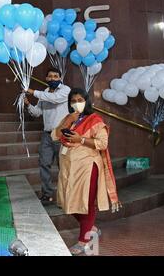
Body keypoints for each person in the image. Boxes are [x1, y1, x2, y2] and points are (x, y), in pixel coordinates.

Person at [52, 88, 121, 255]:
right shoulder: (70, 119)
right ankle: (91, 227)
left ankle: (84, 241)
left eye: (80, 100)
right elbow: (54, 136)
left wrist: (80, 139)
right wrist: (68, 120)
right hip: (69, 169)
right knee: (70, 201)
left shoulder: (95, 119)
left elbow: (102, 144)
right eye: (73, 100)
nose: (77, 103)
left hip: (87, 169)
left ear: (87, 101)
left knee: (87, 204)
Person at [24, 68, 71, 205]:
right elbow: (38, 112)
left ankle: (67, 196)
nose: (52, 79)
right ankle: (47, 194)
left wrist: (33, 92)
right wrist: (28, 105)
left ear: (60, 78)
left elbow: (55, 99)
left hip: (62, 134)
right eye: (50, 76)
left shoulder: (65, 90)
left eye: (55, 76)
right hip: (47, 135)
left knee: (64, 166)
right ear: (46, 78)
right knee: (44, 164)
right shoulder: (44, 92)